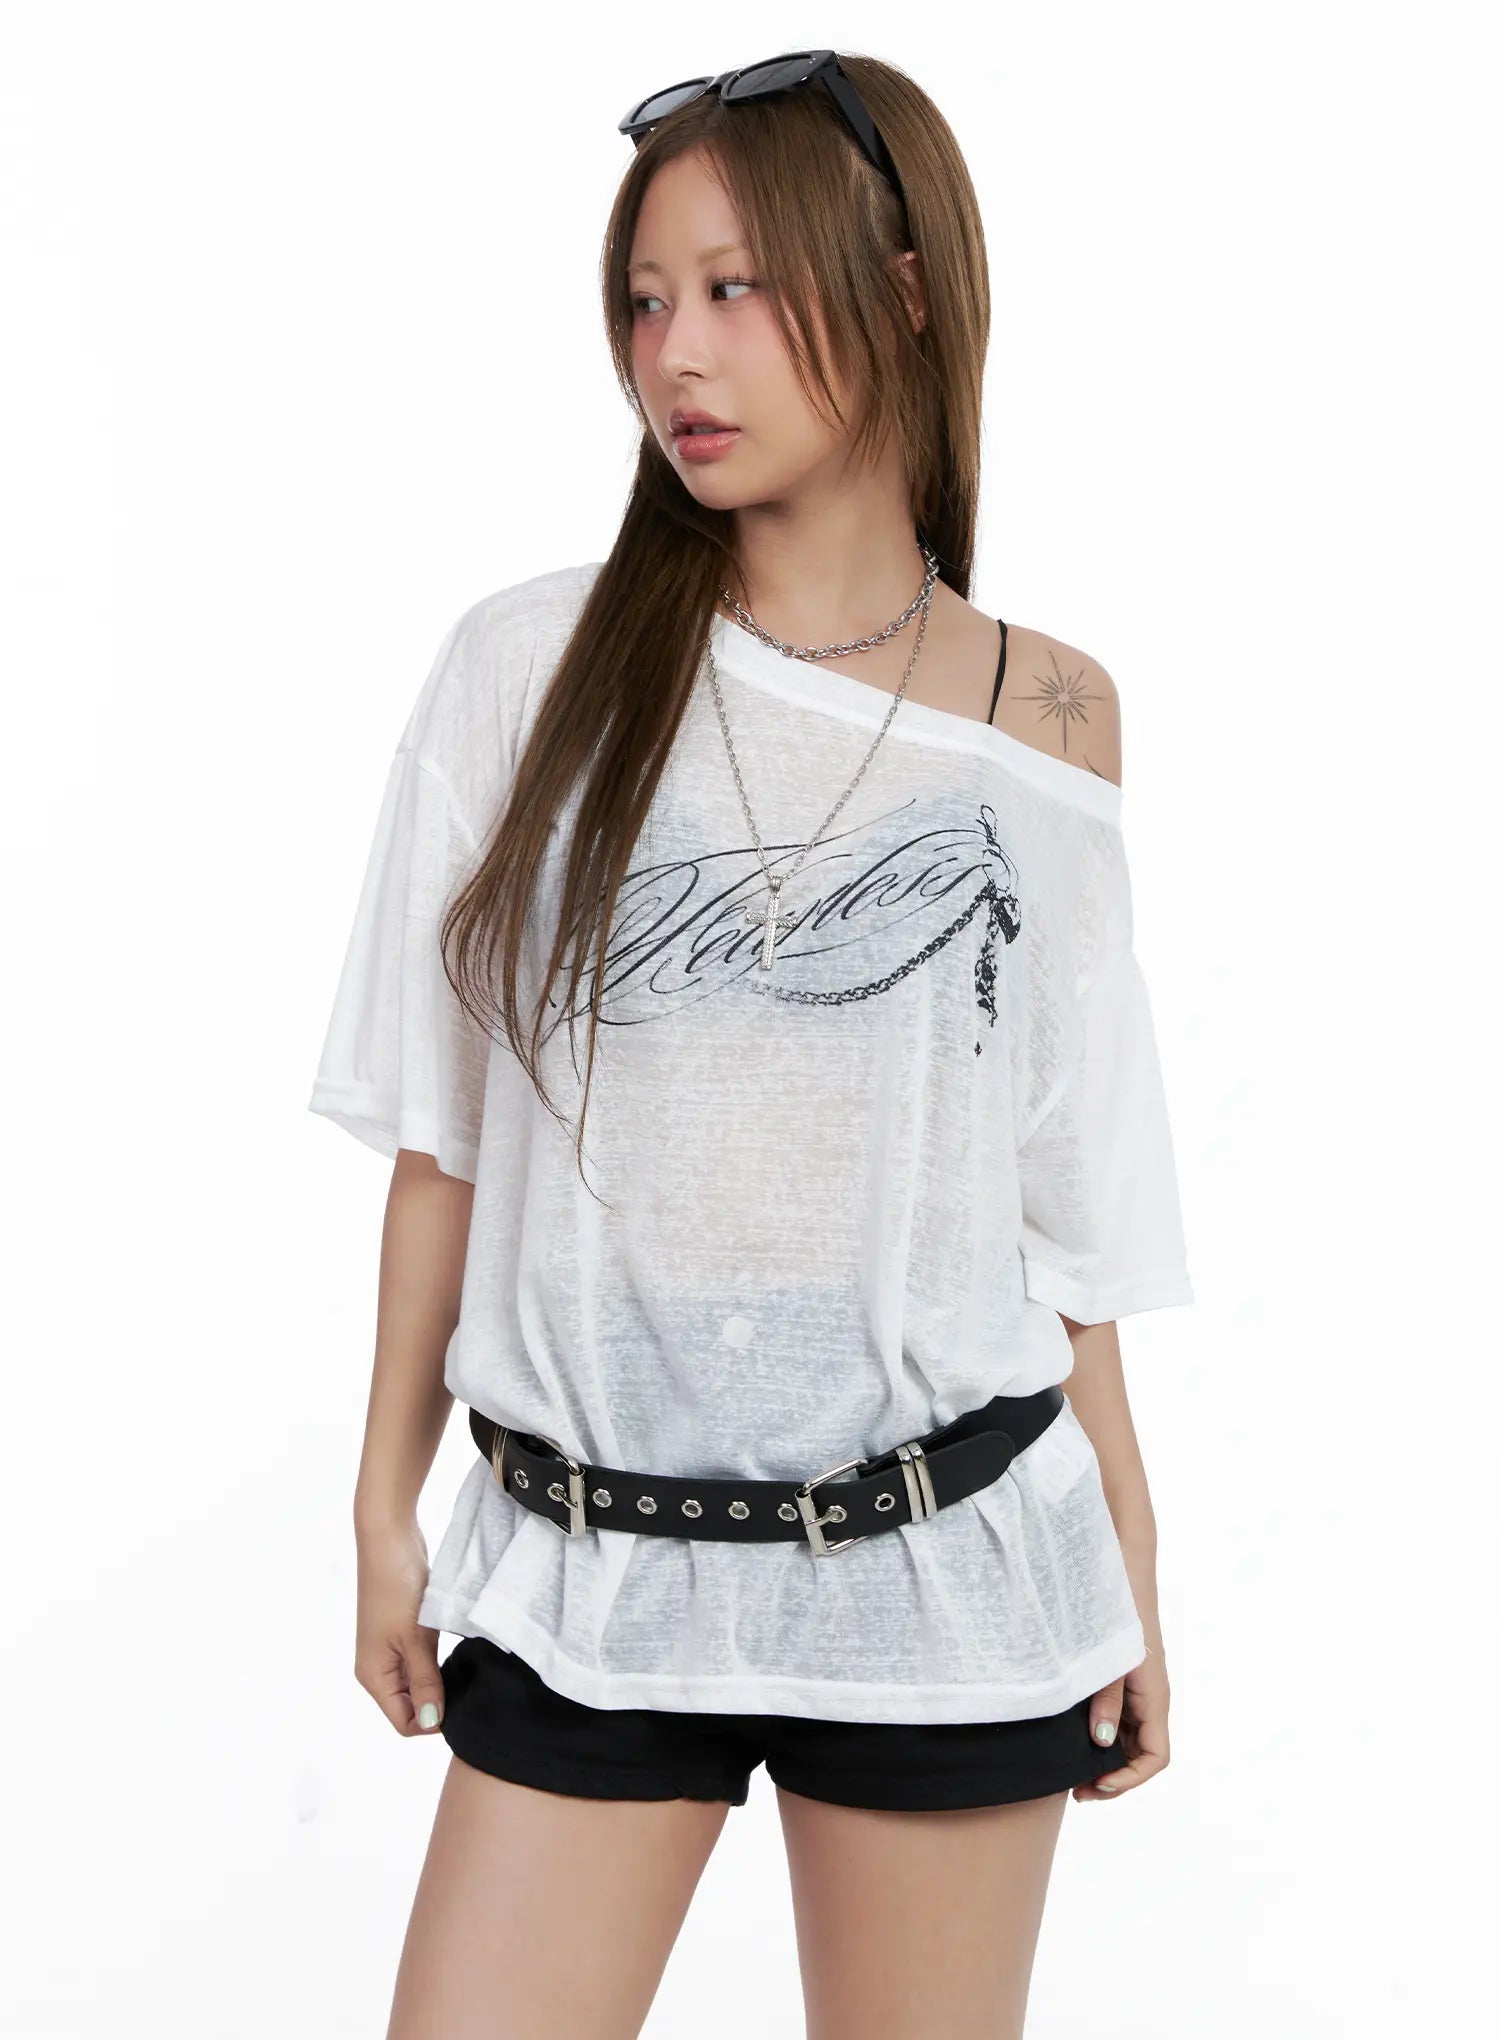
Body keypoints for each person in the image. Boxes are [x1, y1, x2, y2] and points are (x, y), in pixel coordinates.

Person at [308, 50, 1194, 2040]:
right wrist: (382, 1500)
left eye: (734, 289)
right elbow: (446, 1138)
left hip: (948, 1567)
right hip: (588, 1571)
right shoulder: (532, 670)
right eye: (645, 301)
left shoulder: (1049, 716)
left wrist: (1129, 1553)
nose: (676, 357)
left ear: (903, 292)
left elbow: (1054, 1194)